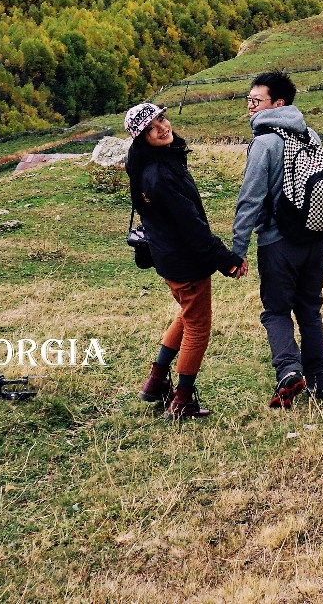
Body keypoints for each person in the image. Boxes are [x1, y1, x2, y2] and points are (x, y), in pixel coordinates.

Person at [125, 102, 245, 421]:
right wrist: (227, 260)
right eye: (152, 128)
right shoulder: (160, 174)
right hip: (184, 262)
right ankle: (182, 401)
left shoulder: (152, 165)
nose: (162, 127)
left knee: (187, 315)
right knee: (198, 327)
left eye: (161, 119)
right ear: (142, 139)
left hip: (170, 259)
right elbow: (191, 226)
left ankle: (155, 380)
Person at [231, 71, 323, 408]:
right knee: (310, 311)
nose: (250, 107)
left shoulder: (265, 142)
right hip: (315, 241)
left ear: (278, 104)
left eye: (256, 101)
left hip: (278, 243)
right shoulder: (310, 135)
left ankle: (289, 372)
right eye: (248, 100)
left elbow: (250, 199)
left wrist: (237, 250)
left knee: (276, 311)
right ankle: (319, 383)